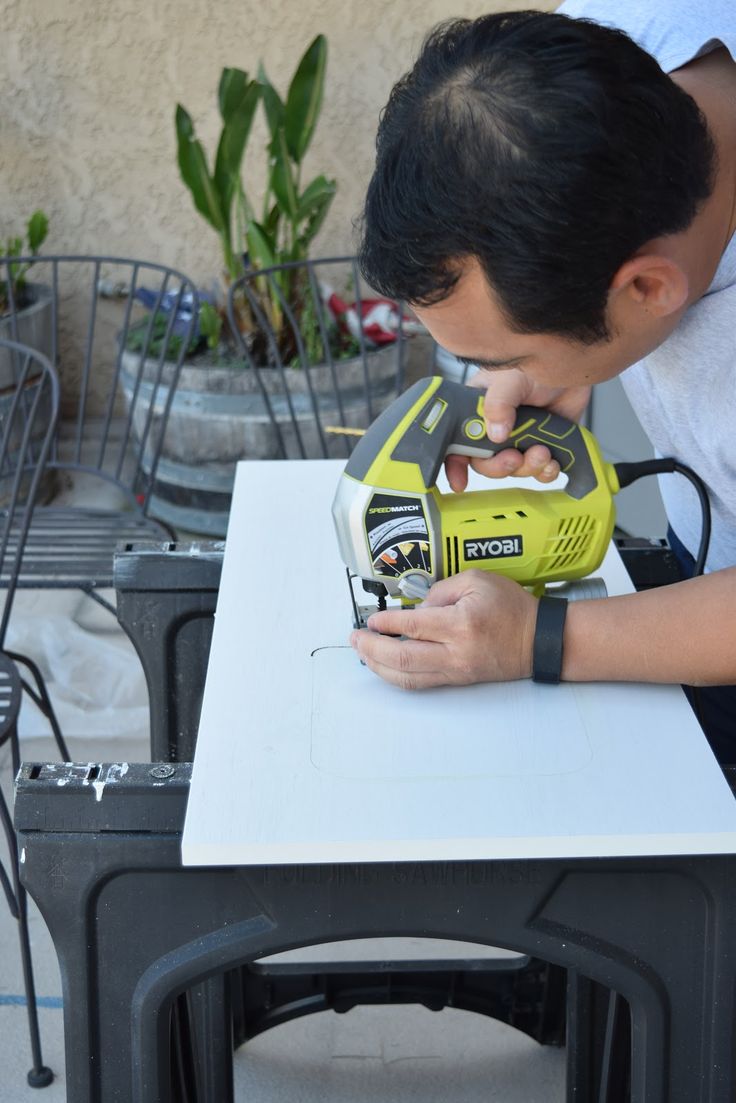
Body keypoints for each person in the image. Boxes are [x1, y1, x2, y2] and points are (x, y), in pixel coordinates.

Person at [351, 3, 736, 760]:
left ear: (650, 289)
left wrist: (539, 637)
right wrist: (568, 364)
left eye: (505, 359)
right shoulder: (622, 34)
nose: (492, 384)